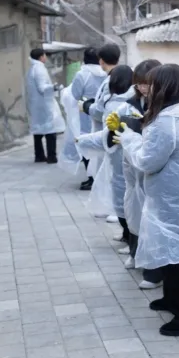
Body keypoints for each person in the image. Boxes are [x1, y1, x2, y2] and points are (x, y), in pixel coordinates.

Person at [111, 64, 179, 337]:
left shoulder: (166, 121)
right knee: (177, 254)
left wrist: (129, 139)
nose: (145, 91)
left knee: (178, 259)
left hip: (171, 201)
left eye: (150, 86)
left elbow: (147, 161)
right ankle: (172, 300)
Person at [115, 59, 165, 288]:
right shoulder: (132, 102)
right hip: (134, 165)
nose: (143, 88)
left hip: (152, 166)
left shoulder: (165, 104)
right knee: (135, 210)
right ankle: (136, 253)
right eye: (139, 84)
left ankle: (154, 271)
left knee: (151, 219)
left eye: (147, 83)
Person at [77, 65, 136, 253]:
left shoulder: (127, 105)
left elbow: (107, 129)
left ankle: (131, 239)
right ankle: (128, 235)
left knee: (126, 199)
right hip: (115, 154)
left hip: (123, 156)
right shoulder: (122, 102)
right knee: (120, 196)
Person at [80, 43, 121, 222]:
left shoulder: (111, 80)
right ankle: (112, 208)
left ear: (101, 61)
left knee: (113, 174)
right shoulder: (118, 77)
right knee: (109, 173)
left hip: (109, 131)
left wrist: (86, 106)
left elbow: (102, 109)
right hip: (114, 132)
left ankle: (115, 210)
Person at [71, 47, 107, 190]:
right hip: (103, 112)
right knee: (101, 143)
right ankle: (100, 177)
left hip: (86, 112)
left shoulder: (82, 74)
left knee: (87, 143)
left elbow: (75, 94)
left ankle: (91, 178)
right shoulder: (106, 72)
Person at [25, 48, 65, 164]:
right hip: (44, 104)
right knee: (50, 130)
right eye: (44, 55)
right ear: (41, 57)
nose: (46, 57)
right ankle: (51, 157)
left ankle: (39, 155)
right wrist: (54, 87)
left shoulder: (32, 69)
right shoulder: (39, 69)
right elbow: (42, 87)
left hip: (36, 104)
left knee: (38, 130)